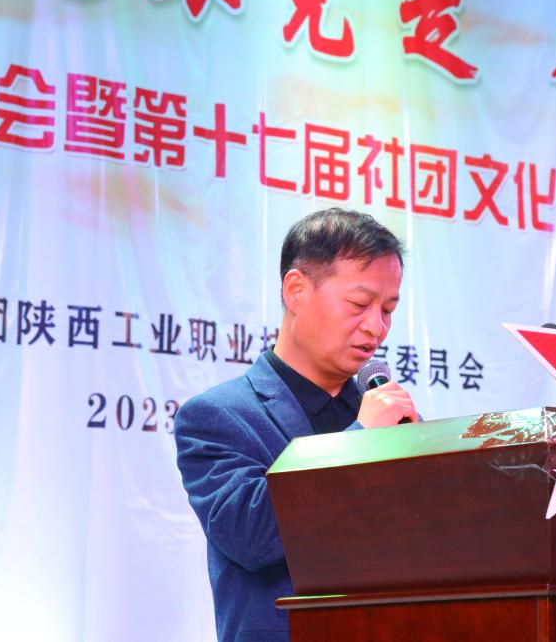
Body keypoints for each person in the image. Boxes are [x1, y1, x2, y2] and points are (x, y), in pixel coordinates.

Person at [174, 208, 416, 642]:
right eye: (359, 304)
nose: (376, 327)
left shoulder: (390, 421)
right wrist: (360, 443)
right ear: (296, 290)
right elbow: (253, 537)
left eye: (388, 309)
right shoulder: (218, 417)